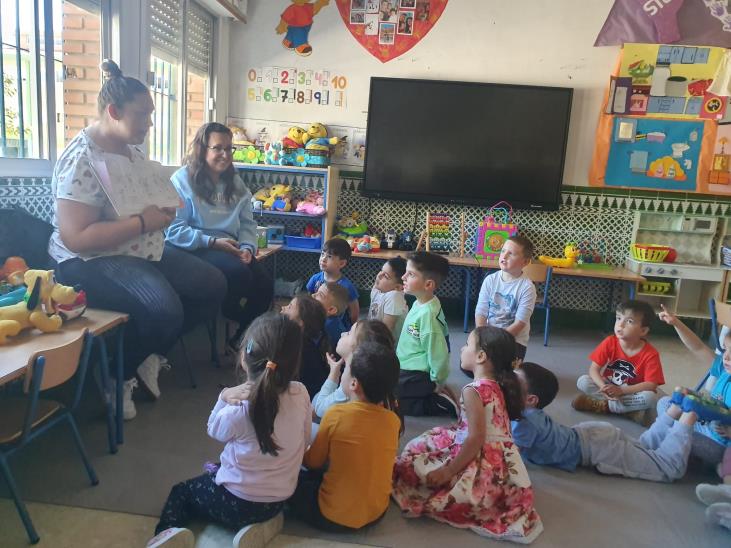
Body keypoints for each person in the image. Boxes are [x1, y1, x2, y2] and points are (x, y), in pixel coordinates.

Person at [49, 60, 225, 420]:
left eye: (151, 114)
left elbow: (139, 204)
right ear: (114, 112)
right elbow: (77, 237)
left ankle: (148, 351)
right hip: (88, 260)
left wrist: (161, 212)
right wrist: (144, 220)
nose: (150, 123)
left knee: (213, 284)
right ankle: (119, 373)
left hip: (137, 247)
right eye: (143, 114)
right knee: (164, 311)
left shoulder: (132, 152)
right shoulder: (82, 159)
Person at [147, 313, 311, 548]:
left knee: (182, 492)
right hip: (279, 498)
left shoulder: (238, 408)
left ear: (244, 357)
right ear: (294, 363)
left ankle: (166, 533)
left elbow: (213, 429)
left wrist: (223, 396)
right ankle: (264, 523)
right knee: (225, 469)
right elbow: (305, 440)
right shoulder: (301, 393)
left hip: (236, 503)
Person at [392, 327, 543, 543]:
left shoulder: (473, 390)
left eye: (467, 345)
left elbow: (476, 438)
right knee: (432, 439)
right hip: (502, 464)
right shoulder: (499, 387)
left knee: (412, 465)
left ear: (481, 356)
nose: (462, 349)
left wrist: (448, 470)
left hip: (478, 457)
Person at [166, 122, 273, 351]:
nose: (225, 154)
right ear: (202, 149)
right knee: (239, 274)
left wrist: (248, 247)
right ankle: (228, 314)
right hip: (197, 245)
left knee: (265, 284)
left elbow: (247, 222)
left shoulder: (235, 182)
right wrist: (212, 242)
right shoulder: (181, 180)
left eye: (228, 148)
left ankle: (240, 338)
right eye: (218, 148)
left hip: (231, 246)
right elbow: (173, 230)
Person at [511, 362, 699, 482]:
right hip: (590, 434)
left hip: (598, 450)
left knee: (668, 468)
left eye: (512, 384)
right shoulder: (528, 412)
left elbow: (510, 457)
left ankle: (687, 417)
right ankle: (674, 409)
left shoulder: (523, 422)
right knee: (644, 446)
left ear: (531, 399)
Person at [290, 342, 402, 531]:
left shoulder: (336, 415)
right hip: (376, 513)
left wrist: (297, 443)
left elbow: (313, 462)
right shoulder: (393, 420)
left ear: (353, 384)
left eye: (346, 369)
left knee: (295, 481)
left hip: (332, 515)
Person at [657, 304, 731, 474]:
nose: (726, 357)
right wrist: (676, 323)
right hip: (703, 425)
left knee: (672, 428)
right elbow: (698, 347)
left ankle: (676, 455)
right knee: (665, 403)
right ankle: (681, 448)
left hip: (719, 443)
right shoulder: (724, 369)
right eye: (726, 349)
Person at [572, 299, 664, 422]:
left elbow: (651, 384)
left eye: (629, 321)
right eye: (618, 318)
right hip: (609, 386)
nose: (620, 325)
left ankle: (602, 406)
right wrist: (603, 387)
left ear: (643, 331)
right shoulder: (610, 342)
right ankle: (628, 412)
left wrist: (621, 390)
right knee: (583, 381)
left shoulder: (651, 353)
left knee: (650, 398)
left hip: (630, 391)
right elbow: (594, 369)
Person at [396, 251, 457, 416]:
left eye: (410, 274)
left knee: (391, 399)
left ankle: (438, 401)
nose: (403, 277)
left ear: (428, 285)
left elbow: (439, 354)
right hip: (406, 365)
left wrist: (438, 382)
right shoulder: (422, 302)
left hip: (418, 373)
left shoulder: (428, 316)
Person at [312, 319, 395, 419]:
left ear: (357, 350)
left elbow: (319, 409)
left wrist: (333, 375)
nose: (343, 333)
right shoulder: (371, 377)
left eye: (349, 333)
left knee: (314, 403)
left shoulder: (352, 384)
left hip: (340, 424)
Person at [474, 235, 536, 360]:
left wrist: (496, 342)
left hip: (513, 340)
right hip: (489, 336)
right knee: (468, 365)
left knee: (502, 368)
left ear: (525, 262)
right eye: (503, 251)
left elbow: (519, 323)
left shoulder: (527, 287)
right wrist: (481, 336)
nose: (504, 256)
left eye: (511, 253)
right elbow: (481, 311)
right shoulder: (490, 280)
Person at [281, 293, 330, 398]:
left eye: (289, 307)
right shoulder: (305, 342)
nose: (283, 307)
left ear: (300, 322)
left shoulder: (298, 348)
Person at [306, 238, 359, 328]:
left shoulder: (347, 286)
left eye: (329, 256)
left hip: (338, 326)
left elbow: (354, 312)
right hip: (317, 322)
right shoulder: (315, 279)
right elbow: (309, 300)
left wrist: (351, 329)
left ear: (342, 263)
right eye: (322, 254)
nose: (323, 259)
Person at [369, 257, 408, 341]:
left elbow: (386, 330)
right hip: (374, 336)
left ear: (397, 287)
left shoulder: (395, 296)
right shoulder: (378, 289)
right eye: (381, 271)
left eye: (385, 276)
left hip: (388, 343)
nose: (379, 276)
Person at [313, 281, 351, 348]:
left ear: (331, 309)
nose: (313, 295)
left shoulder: (326, 326)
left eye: (320, 295)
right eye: (316, 292)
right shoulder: (329, 320)